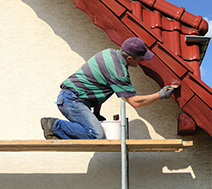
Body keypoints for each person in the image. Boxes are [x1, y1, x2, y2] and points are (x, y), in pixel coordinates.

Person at [41, 37, 175, 139]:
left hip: (72, 97)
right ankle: (54, 126)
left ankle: (56, 128)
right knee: (96, 134)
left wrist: (96, 113)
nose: (142, 62)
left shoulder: (109, 53)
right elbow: (134, 102)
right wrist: (160, 95)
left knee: (93, 131)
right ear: (129, 58)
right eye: (141, 59)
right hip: (73, 100)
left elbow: (97, 85)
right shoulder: (119, 72)